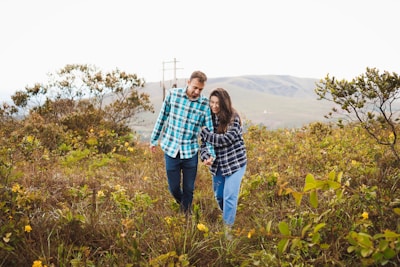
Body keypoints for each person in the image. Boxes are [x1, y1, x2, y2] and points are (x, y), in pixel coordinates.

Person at [150, 70, 215, 214]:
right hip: (171, 149)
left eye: (200, 89)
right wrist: (154, 140)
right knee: (173, 188)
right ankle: (185, 206)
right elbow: (162, 117)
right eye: (195, 88)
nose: (197, 92)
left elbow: (209, 131)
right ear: (188, 83)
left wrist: (210, 153)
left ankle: (186, 215)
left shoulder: (204, 104)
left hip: (190, 151)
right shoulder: (173, 95)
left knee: (189, 189)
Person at [200, 88, 247, 229]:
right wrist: (205, 156)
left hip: (235, 163)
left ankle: (228, 233)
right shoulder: (208, 117)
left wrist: (205, 133)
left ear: (224, 103)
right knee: (219, 197)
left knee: (229, 197)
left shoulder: (233, 117)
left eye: (217, 103)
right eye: (212, 102)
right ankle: (228, 216)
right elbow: (204, 144)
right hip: (218, 165)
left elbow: (227, 139)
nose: (214, 106)